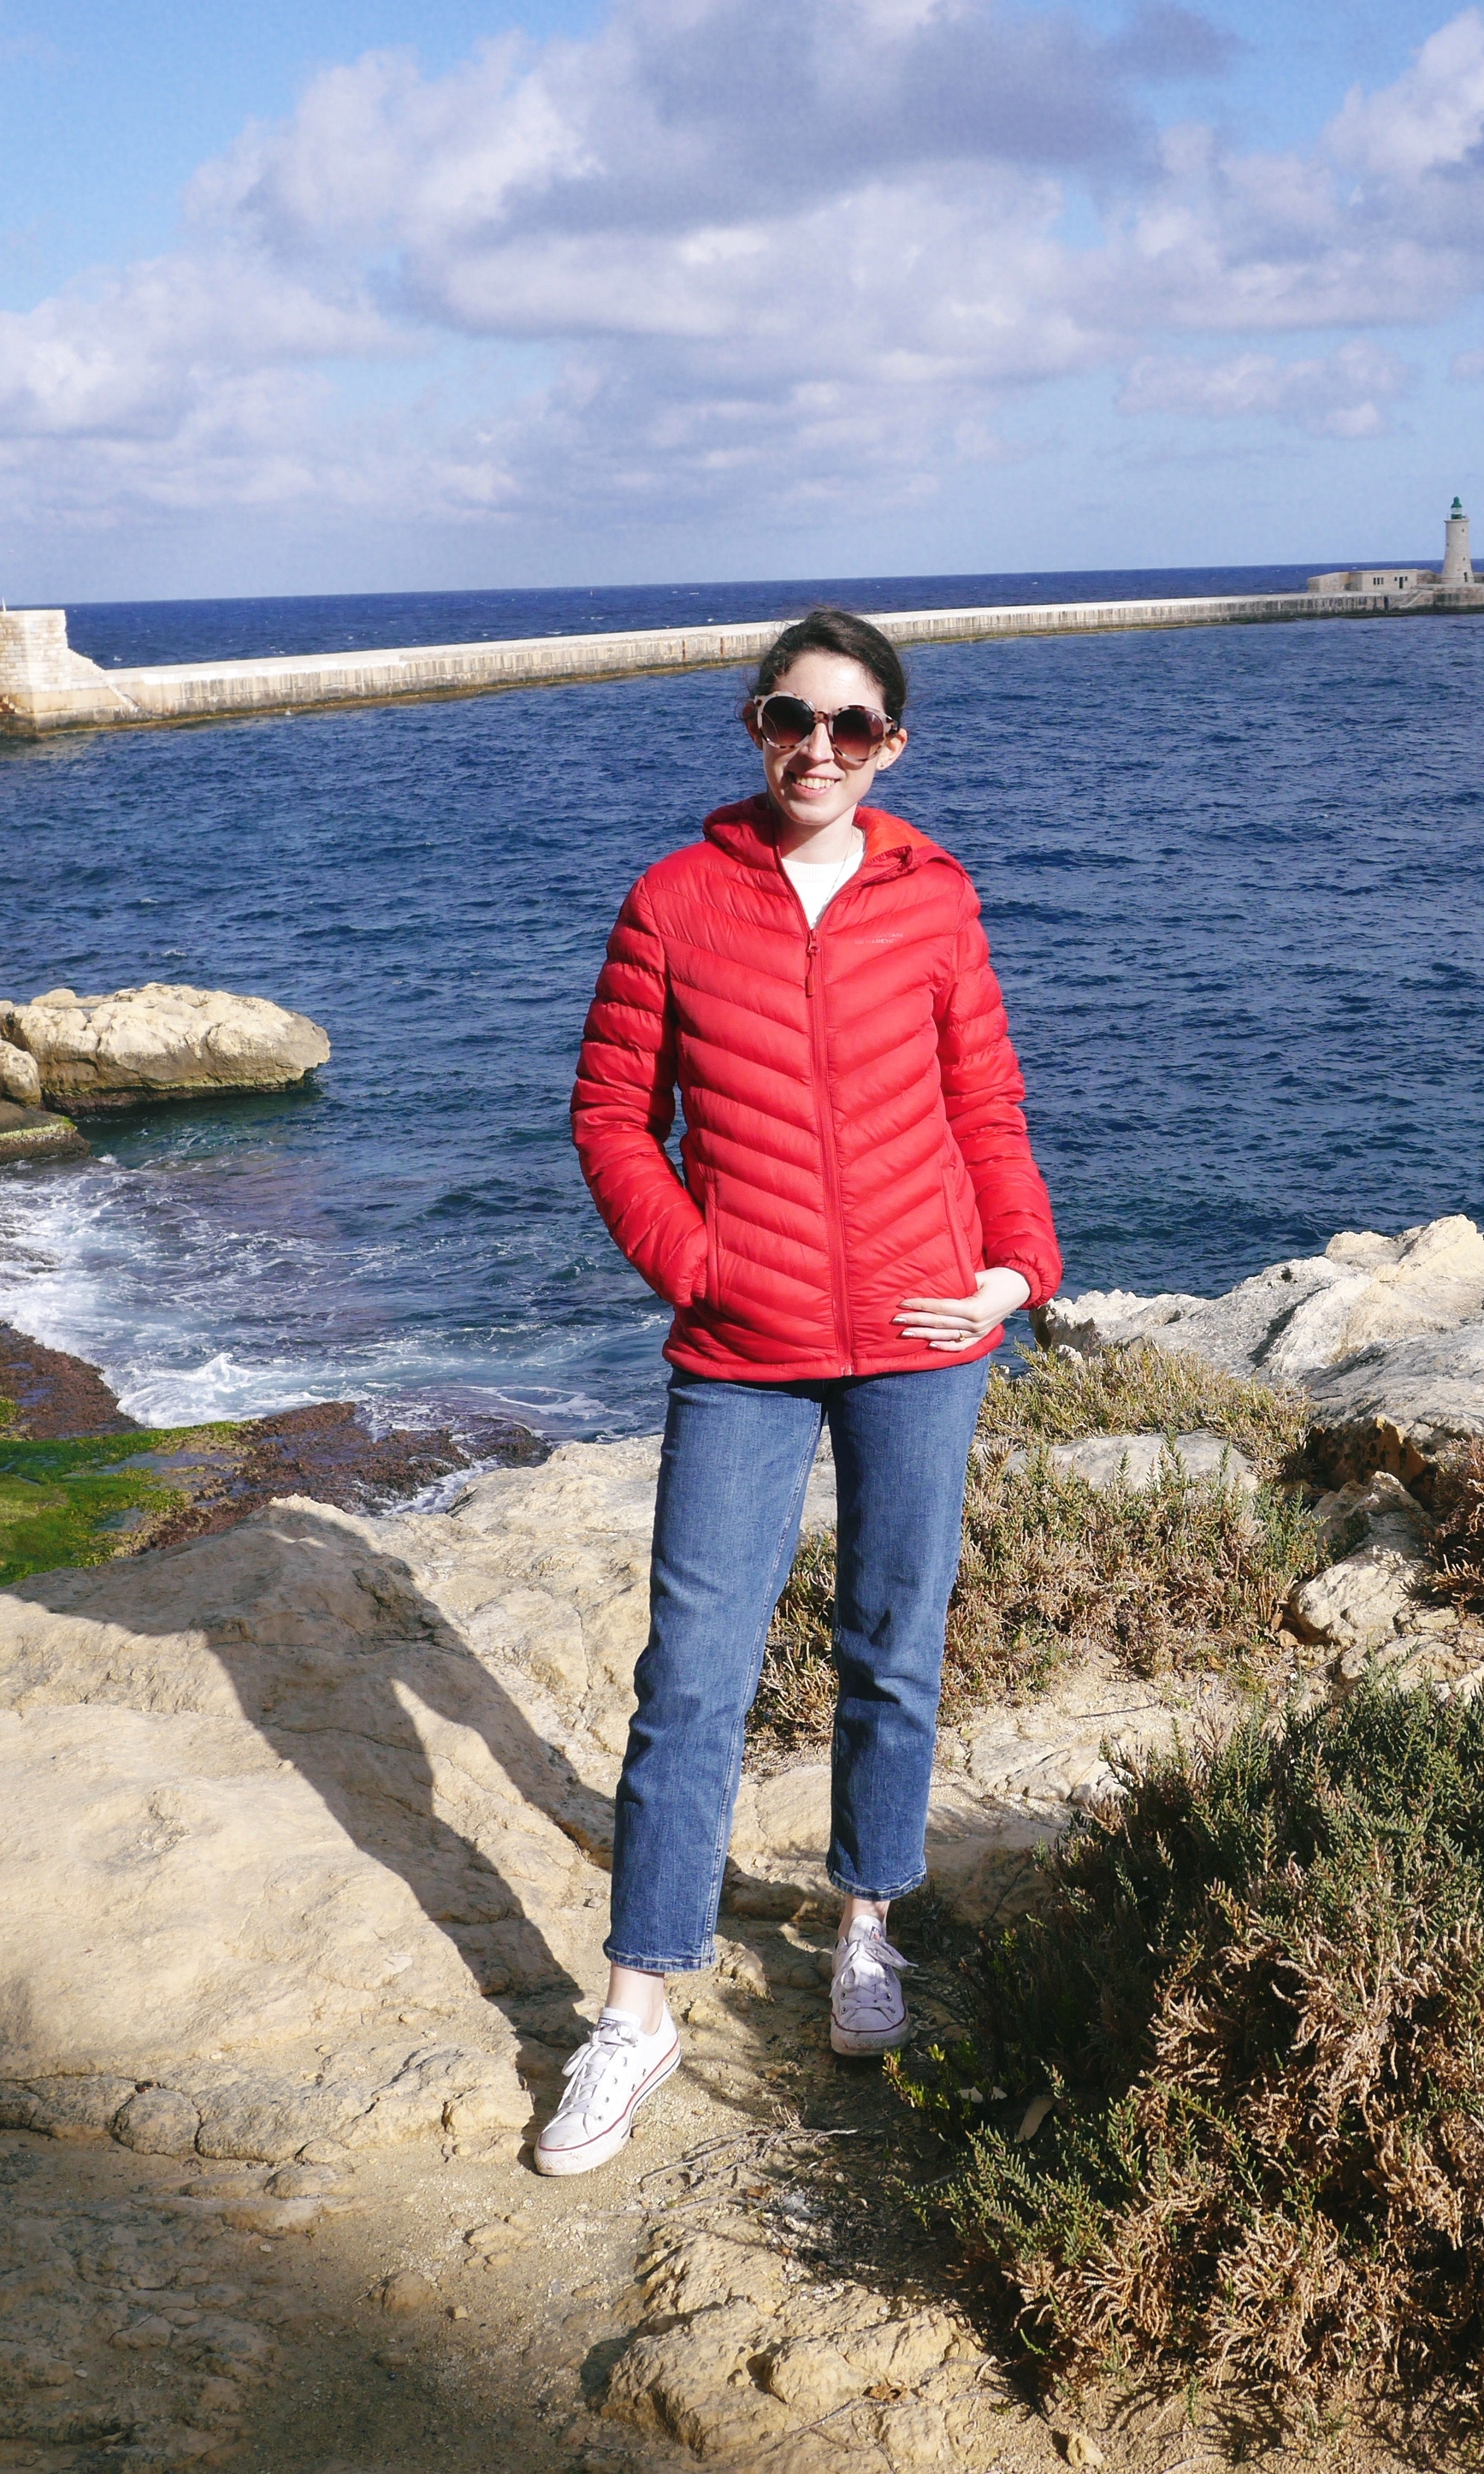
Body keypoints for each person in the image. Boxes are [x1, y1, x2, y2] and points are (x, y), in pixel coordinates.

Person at [535, 607, 1061, 2175]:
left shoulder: (935, 897)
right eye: (789, 717)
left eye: (849, 725)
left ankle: (864, 1925)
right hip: (740, 1349)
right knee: (691, 1675)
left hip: (922, 1336)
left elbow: (985, 1101)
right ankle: (636, 2008)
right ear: (754, 726)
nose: (815, 749)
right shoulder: (674, 898)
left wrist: (1014, 1270)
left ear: (891, 743)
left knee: (891, 1647)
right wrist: (698, 1266)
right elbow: (611, 1118)